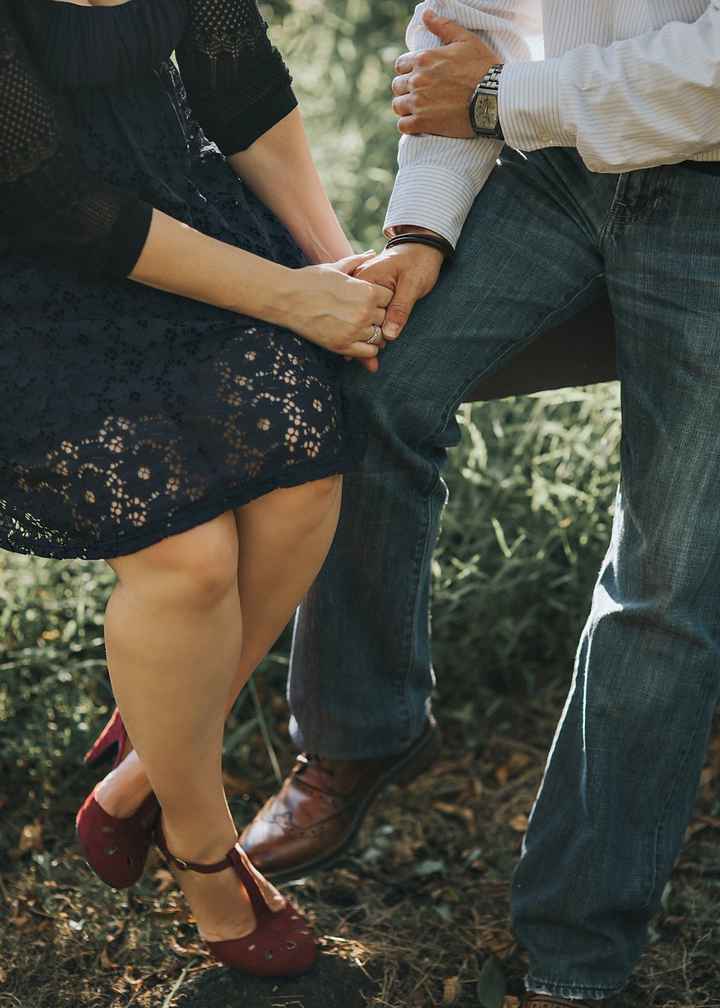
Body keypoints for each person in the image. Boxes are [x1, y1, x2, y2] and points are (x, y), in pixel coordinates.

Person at [236, 1, 720, 1004]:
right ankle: (360, 735)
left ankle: (576, 957)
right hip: (560, 169)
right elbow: (466, 29)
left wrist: (504, 97)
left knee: (664, 587)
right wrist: (425, 224)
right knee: (368, 386)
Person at [0, 0, 394, 978]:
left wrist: (335, 269)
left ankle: (143, 769)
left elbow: (246, 98)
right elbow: (57, 204)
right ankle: (204, 849)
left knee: (303, 473)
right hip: (32, 275)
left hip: (190, 224)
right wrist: (293, 298)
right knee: (186, 559)